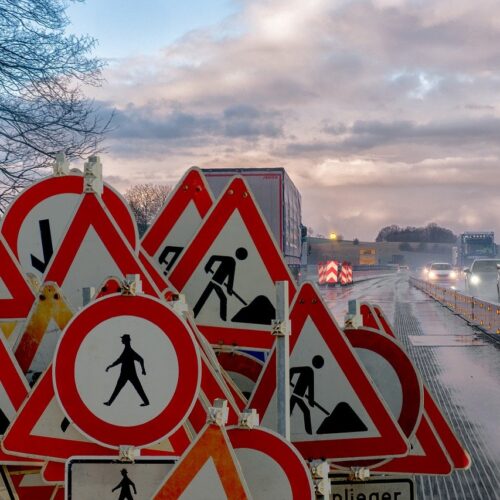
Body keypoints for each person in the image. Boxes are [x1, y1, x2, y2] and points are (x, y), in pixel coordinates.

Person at [193, 247, 248, 321]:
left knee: (207, 298)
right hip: (214, 282)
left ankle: (195, 314)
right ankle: (223, 319)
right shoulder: (231, 260)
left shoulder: (232, 261)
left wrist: (229, 289)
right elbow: (213, 257)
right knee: (220, 299)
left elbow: (231, 277)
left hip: (216, 283)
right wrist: (207, 267)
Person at [104, 334, 149, 407]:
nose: (121, 340)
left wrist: (143, 370)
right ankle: (109, 402)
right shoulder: (127, 350)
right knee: (136, 388)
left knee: (120, 388)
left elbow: (141, 359)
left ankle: (109, 402)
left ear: (126, 340)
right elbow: (119, 360)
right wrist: (111, 366)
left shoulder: (129, 351)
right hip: (127, 374)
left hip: (127, 374)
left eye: (122, 339)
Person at [289, 355, 324, 434]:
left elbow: (311, 388)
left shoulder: (310, 371)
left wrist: (311, 401)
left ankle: (309, 433)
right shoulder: (308, 370)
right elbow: (291, 370)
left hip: (298, 397)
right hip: (296, 396)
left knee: (303, 412)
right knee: (305, 412)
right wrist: (288, 380)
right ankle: (309, 433)